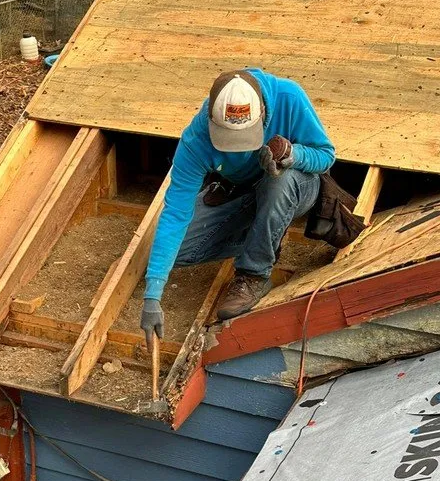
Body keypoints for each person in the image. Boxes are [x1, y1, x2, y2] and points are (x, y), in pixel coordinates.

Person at [140, 69, 335, 347]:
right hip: (240, 192)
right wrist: (153, 295)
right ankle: (263, 235)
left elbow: (326, 156)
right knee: (181, 253)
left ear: (263, 113)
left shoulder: (288, 97)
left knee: (280, 183)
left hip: (295, 185)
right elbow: (175, 214)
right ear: (211, 119)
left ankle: (254, 274)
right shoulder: (196, 140)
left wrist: (293, 155)